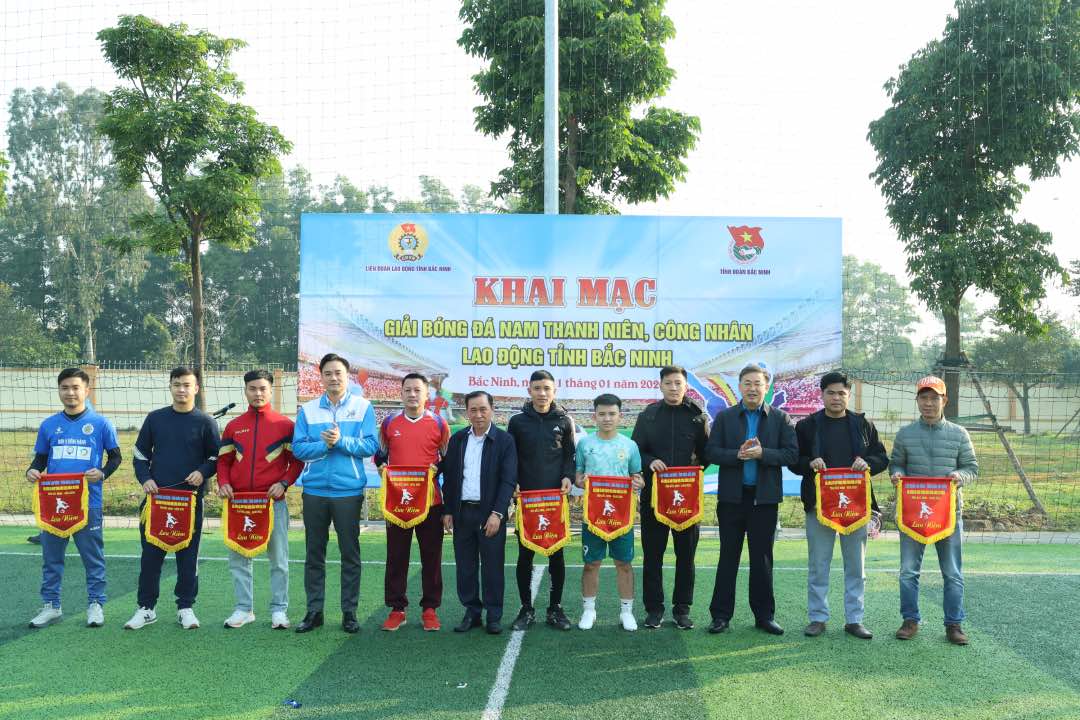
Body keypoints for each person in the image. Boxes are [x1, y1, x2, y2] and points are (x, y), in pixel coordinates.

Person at [791, 371, 889, 639]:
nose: (836, 397)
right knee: (818, 564)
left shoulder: (862, 425)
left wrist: (868, 463)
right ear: (822, 395)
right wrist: (809, 463)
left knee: (856, 565)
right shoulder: (807, 426)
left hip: (856, 508)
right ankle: (818, 618)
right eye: (831, 393)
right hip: (819, 507)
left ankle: (854, 619)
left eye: (841, 393)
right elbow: (793, 460)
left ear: (848, 394)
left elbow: (881, 457)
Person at [705, 363, 797, 635]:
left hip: (764, 501)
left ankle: (764, 616)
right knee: (728, 557)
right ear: (739, 387)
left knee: (762, 559)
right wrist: (736, 455)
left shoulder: (780, 418)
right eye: (747, 383)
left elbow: (791, 455)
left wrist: (762, 454)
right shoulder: (725, 418)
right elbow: (711, 452)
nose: (752, 388)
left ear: (766, 388)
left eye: (758, 383)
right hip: (732, 500)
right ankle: (720, 616)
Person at [125, 367, 220, 630]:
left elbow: (216, 458)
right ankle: (146, 608)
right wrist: (145, 479)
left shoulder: (206, 422)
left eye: (187, 385)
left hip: (189, 505)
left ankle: (185, 607)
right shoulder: (155, 419)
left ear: (196, 389)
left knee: (188, 558)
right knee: (151, 558)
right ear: (170, 386)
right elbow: (140, 455)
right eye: (177, 384)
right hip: (156, 503)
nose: (182, 389)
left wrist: (202, 473)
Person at [26, 368, 122, 629]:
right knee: (51, 557)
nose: (70, 392)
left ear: (86, 390)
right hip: (54, 504)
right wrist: (32, 470)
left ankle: (95, 604)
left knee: (92, 556)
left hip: (87, 502)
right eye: (65, 387)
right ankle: (51, 606)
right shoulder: (48, 425)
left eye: (75, 387)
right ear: (59, 391)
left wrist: (102, 472)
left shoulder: (101, 424)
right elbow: (40, 460)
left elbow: (115, 457)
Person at [291, 353, 379, 634]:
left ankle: (349, 613)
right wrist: (324, 445)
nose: (333, 377)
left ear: (347, 375)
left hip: (348, 491)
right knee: (313, 554)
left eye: (338, 372)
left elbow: (370, 446)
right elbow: (299, 449)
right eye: (328, 373)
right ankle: (314, 611)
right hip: (314, 491)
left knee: (349, 553)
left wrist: (342, 441)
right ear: (321, 376)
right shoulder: (307, 410)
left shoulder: (363, 407)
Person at [890, 375, 978, 646]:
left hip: (949, 515)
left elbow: (972, 468)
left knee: (952, 573)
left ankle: (954, 624)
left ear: (944, 401)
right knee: (907, 571)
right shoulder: (905, 434)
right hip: (912, 516)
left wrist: (959, 476)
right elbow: (896, 464)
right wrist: (897, 475)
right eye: (923, 398)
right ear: (917, 400)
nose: (928, 403)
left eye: (934, 398)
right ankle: (910, 620)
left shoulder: (959, 434)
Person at [216, 369, 302, 630]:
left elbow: (297, 461)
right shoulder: (233, 426)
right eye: (252, 389)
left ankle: (279, 610)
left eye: (262, 388)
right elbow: (223, 461)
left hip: (272, 504)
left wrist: (284, 483)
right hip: (239, 505)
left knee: (279, 559)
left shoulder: (285, 425)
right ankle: (244, 609)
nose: (257, 393)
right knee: (239, 558)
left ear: (271, 390)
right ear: (245, 391)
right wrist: (224, 483)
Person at [631, 365, 710, 630]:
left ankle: (682, 609)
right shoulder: (649, 416)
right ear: (661, 385)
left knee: (686, 555)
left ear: (686, 386)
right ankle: (654, 609)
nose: (673, 388)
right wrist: (650, 461)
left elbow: (707, 455)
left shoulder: (698, 417)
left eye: (678, 383)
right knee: (653, 555)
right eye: (668, 383)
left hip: (687, 500)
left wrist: (689, 474)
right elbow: (636, 452)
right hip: (654, 497)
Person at [374, 373, 450, 632]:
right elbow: (379, 455)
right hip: (398, 502)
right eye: (407, 390)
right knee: (396, 556)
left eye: (417, 390)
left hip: (430, 501)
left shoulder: (439, 423)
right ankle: (397, 609)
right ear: (401, 393)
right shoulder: (389, 423)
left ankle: (430, 609)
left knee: (432, 556)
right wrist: (382, 466)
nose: (412, 394)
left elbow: (447, 461)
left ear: (426, 394)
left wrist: (437, 469)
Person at [440, 390, 517, 635]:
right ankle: (472, 611)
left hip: (490, 514)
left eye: (483, 409)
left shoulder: (504, 441)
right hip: (463, 512)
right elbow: (450, 477)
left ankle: (494, 615)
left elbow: (508, 481)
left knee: (493, 566)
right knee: (465, 566)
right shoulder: (458, 439)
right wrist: (448, 510)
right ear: (466, 412)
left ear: (492, 409)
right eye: (473, 410)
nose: (478, 414)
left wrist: (498, 513)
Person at [507, 370, 576, 632]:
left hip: (555, 500)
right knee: (525, 554)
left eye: (547, 388)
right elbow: (509, 457)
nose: (542, 393)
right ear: (529, 390)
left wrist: (568, 476)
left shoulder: (564, 420)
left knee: (556, 555)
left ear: (554, 391)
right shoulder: (517, 421)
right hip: (527, 501)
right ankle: (526, 608)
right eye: (537, 388)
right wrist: (512, 481)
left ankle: (555, 608)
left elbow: (569, 455)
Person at [575, 393, 644, 632]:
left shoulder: (629, 445)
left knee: (623, 563)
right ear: (594, 416)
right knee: (591, 563)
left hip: (621, 516)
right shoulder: (585, 444)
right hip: (593, 515)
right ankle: (589, 610)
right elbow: (578, 475)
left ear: (620, 416)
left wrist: (638, 483)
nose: (607, 418)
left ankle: (626, 612)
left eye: (612, 414)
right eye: (602, 414)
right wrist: (581, 481)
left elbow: (637, 475)